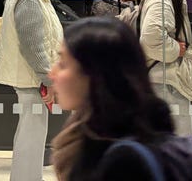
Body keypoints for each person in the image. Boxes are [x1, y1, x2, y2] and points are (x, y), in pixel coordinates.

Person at [49, 18, 179, 180]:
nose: (52, 73)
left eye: (63, 64)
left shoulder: (123, 161)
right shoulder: (90, 135)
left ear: (94, 74)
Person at [0, 0, 62, 181]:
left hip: (31, 76)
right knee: (32, 134)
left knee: (30, 132)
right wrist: (47, 78)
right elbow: (33, 46)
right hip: (31, 78)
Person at [139, 0, 192, 135]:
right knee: (177, 139)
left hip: (165, 78)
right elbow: (151, 37)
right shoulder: (162, 0)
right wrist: (175, 49)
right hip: (166, 80)